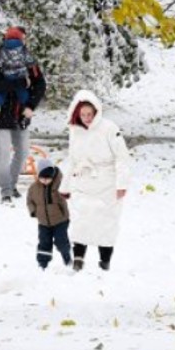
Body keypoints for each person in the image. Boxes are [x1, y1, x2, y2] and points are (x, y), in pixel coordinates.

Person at [58, 89, 131, 271]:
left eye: (90, 114)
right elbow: (73, 160)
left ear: (96, 112)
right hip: (82, 182)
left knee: (106, 222)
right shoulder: (75, 131)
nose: (87, 118)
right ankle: (78, 259)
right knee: (81, 221)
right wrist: (65, 186)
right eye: (83, 114)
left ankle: (104, 260)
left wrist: (121, 184)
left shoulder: (109, 128)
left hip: (106, 182)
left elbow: (122, 157)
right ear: (76, 113)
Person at [0, 25, 45, 204]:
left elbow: (40, 84)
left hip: (21, 112)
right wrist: (22, 81)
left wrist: (31, 106)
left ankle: (12, 185)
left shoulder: (30, 61)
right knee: (3, 152)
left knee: (22, 152)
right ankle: (5, 190)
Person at [27, 158, 71, 269]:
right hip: (43, 222)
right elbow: (29, 201)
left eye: (48, 178)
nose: (45, 180)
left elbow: (70, 192)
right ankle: (43, 264)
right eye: (42, 178)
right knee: (44, 243)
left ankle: (67, 258)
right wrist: (33, 211)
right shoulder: (34, 188)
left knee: (61, 242)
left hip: (60, 220)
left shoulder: (61, 184)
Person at [0, 26, 36, 117]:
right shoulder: (23, 50)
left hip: (7, 76)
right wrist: (31, 64)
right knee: (22, 92)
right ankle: (26, 109)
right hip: (20, 75)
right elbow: (30, 61)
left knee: (1, 92)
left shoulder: (3, 50)